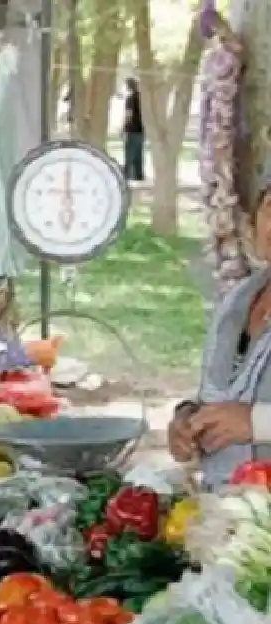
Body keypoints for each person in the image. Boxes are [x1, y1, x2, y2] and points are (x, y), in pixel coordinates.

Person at [169, 185, 271, 488]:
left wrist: (256, 423)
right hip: (228, 511)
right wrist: (187, 420)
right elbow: (222, 394)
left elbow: (245, 415)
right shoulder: (240, 299)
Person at [122, 77, 145, 182]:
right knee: (139, 152)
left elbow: (129, 115)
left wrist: (124, 127)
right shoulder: (142, 98)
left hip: (132, 129)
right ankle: (139, 174)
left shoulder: (130, 99)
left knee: (129, 152)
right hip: (141, 129)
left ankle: (127, 173)